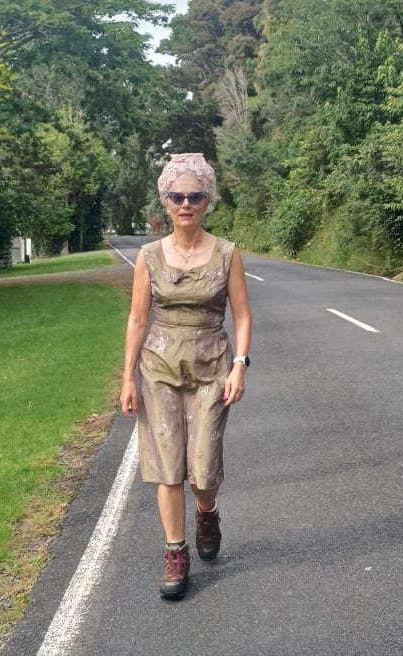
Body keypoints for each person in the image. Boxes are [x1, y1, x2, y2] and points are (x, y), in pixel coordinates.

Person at [119, 153, 252, 600]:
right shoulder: (149, 257)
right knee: (167, 465)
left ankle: (208, 510)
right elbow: (138, 319)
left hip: (212, 364)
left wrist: (240, 364)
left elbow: (243, 315)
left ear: (207, 201)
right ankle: (175, 552)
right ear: (166, 201)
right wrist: (126, 378)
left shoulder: (227, 253)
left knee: (203, 466)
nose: (186, 204)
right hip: (158, 367)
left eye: (195, 196)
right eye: (177, 196)